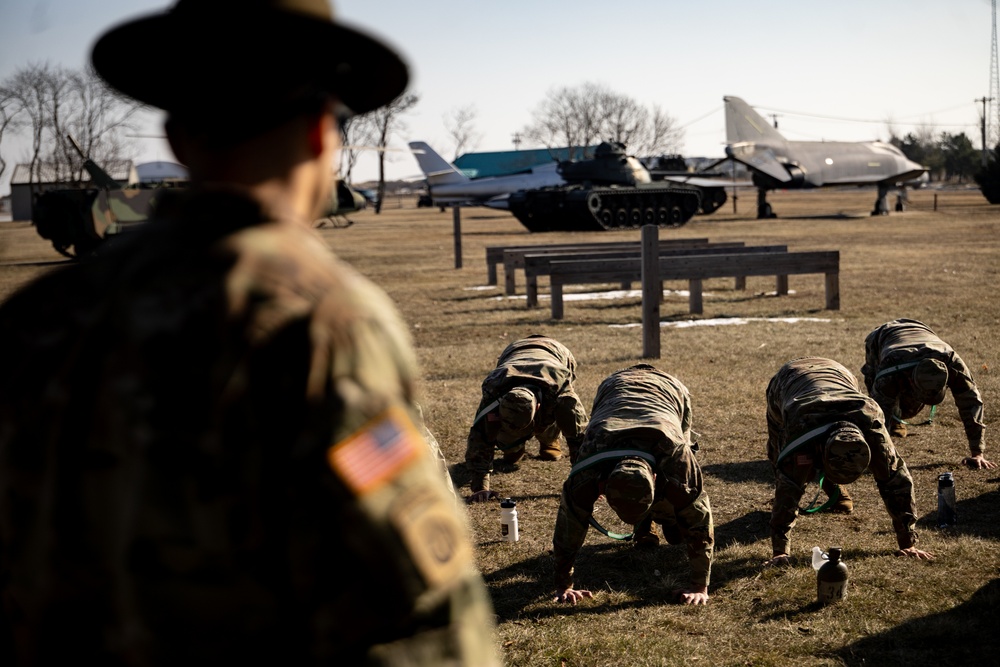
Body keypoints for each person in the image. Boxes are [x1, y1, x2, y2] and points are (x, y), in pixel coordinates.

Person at [0, 2, 498, 665]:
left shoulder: (39, 313)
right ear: (323, 132)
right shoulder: (321, 319)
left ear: (178, 137)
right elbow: (412, 617)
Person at [551, 364, 713, 606]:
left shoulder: (676, 457)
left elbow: (700, 521)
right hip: (613, 387)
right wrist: (564, 585)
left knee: (679, 530)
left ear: (657, 479)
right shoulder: (590, 459)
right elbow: (569, 523)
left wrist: (700, 586)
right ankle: (646, 526)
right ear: (601, 486)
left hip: (670, 390)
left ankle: (666, 517)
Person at [764, 358, 935, 567]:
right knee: (781, 459)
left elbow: (897, 482)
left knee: (886, 470)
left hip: (839, 373)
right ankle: (835, 494)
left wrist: (907, 542)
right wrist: (780, 552)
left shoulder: (873, 428)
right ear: (819, 449)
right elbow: (788, 486)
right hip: (788, 380)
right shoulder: (801, 427)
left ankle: (836, 493)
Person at [465, 334, 589, 502]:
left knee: (558, 416)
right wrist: (480, 487)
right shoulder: (494, 392)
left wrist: (586, 483)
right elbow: (480, 438)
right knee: (505, 441)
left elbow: (579, 439)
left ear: (537, 407)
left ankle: (549, 440)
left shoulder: (561, 394)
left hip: (557, 354)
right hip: (514, 351)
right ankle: (514, 447)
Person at [861, 318, 993, 470]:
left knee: (907, 409)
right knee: (881, 400)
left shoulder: (952, 363)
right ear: (911, 382)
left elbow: (971, 403)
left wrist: (977, 452)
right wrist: (882, 456)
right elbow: (879, 415)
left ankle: (897, 421)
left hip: (922, 332)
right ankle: (894, 426)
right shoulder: (890, 371)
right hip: (881, 338)